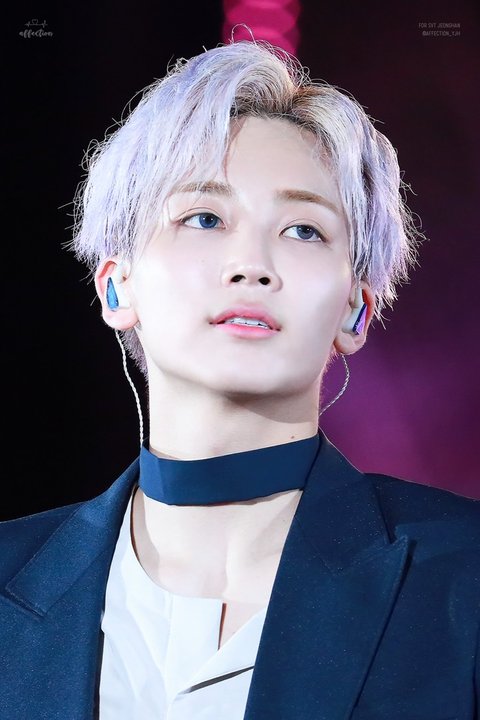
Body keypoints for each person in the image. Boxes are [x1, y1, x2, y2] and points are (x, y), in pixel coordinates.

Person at [0, 38, 478, 720]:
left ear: (355, 309)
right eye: (204, 218)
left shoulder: (463, 578)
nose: (251, 265)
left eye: (304, 230)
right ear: (116, 288)